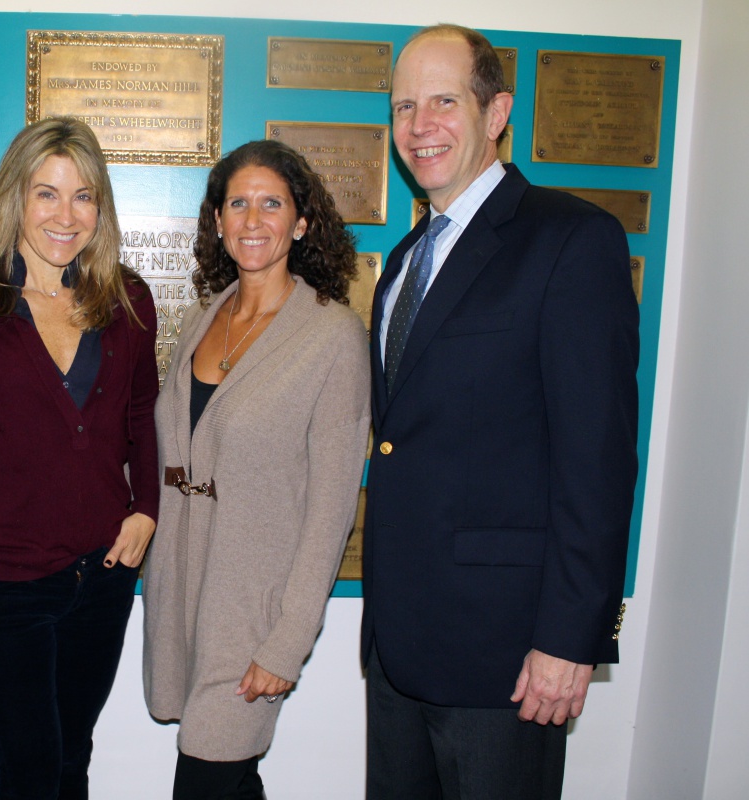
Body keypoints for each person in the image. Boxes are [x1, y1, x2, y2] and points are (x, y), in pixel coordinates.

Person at [362, 24, 640, 799]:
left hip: (507, 655)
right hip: (396, 644)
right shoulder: (404, 263)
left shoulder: (571, 240)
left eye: (444, 101)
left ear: (497, 113)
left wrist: (568, 640)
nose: (419, 126)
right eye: (404, 106)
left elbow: (599, 460)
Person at [0, 117, 159, 800]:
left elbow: (143, 415)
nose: (66, 214)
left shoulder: (127, 300)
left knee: (71, 761)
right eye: (46, 193)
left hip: (103, 579)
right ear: (14, 199)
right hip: (4, 585)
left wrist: (146, 505)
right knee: (28, 775)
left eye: (83, 195)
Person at [143, 139, 371, 799]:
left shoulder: (332, 337)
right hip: (184, 597)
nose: (252, 219)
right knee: (230, 784)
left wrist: (288, 639)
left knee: (207, 782)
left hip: (252, 618)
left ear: (302, 222)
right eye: (237, 203)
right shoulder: (200, 320)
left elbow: (332, 508)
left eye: (271, 203)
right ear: (216, 220)